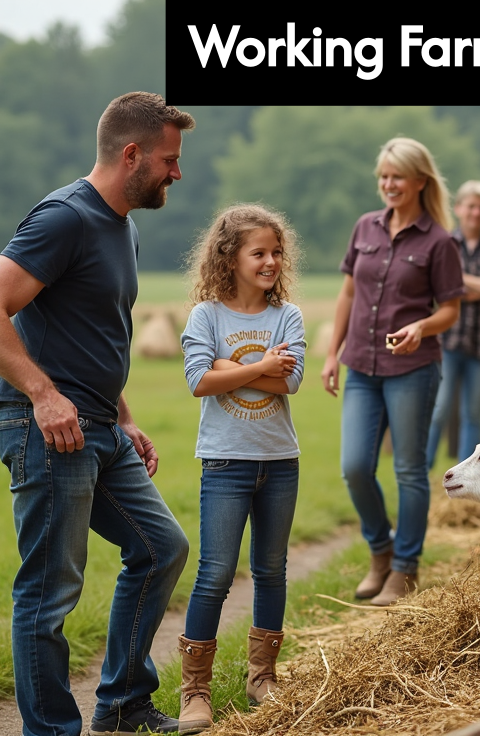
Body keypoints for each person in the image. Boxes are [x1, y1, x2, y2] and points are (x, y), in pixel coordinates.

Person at [0, 92, 194, 736]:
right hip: (47, 430)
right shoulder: (64, 217)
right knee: (49, 593)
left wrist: (121, 415)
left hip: (98, 426)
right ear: (131, 154)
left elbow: (94, 332)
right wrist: (42, 394)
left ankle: (121, 705)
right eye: (169, 160)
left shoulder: (123, 226)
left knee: (161, 548)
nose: (177, 172)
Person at [176, 204, 306, 734]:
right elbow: (198, 382)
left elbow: (289, 383)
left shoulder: (288, 317)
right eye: (259, 253)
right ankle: (195, 692)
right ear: (230, 258)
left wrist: (228, 368)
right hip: (225, 462)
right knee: (215, 573)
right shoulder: (206, 316)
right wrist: (257, 367)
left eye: (277, 252)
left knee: (271, 571)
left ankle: (262, 677)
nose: (271, 261)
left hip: (279, 462)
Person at [320, 137, 465, 607]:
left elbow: (450, 311)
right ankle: (380, 551)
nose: (388, 184)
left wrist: (421, 328)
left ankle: (405, 567)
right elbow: (346, 295)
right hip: (360, 363)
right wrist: (331, 353)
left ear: (420, 181)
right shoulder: (365, 227)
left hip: (413, 369)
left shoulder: (439, 241)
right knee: (356, 467)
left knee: (408, 469)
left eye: (397, 176)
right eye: (383, 176)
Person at [425, 180, 480, 464]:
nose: (476, 213)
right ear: (459, 208)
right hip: (448, 341)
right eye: (472, 206)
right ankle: (420, 472)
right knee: (438, 409)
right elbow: (434, 286)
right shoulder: (444, 244)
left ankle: (467, 476)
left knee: (473, 414)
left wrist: (460, 282)